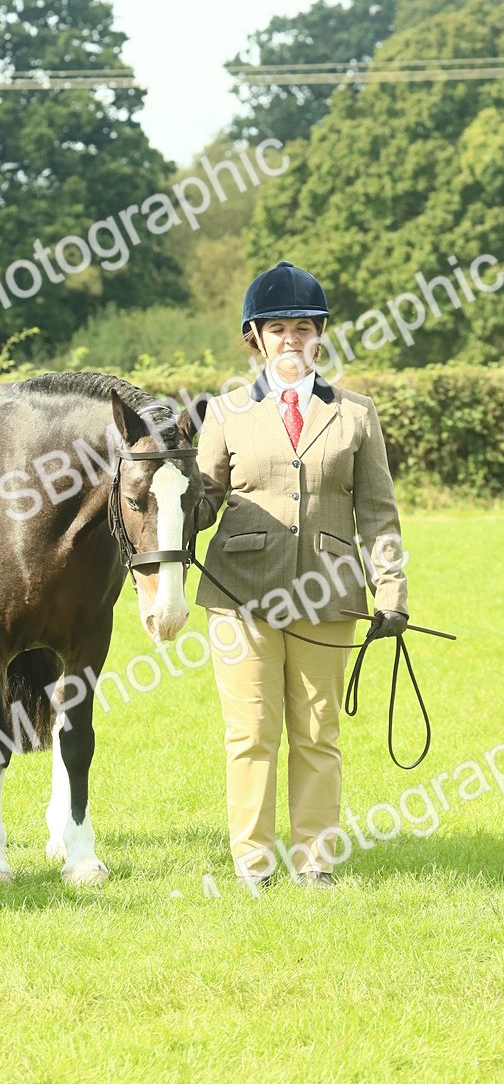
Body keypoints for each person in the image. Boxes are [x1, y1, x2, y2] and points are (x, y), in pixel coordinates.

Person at [195, 260, 408, 889]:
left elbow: (378, 511)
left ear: (319, 336)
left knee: (317, 733)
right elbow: (204, 501)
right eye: (277, 327)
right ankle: (254, 865)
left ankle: (315, 863)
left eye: (303, 327)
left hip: (330, 594)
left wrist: (391, 589)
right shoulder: (226, 413)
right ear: (255, 337)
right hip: (240, 596)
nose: (291, 339)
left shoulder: (356, 414)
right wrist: (170, 493)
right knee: (251, 734)